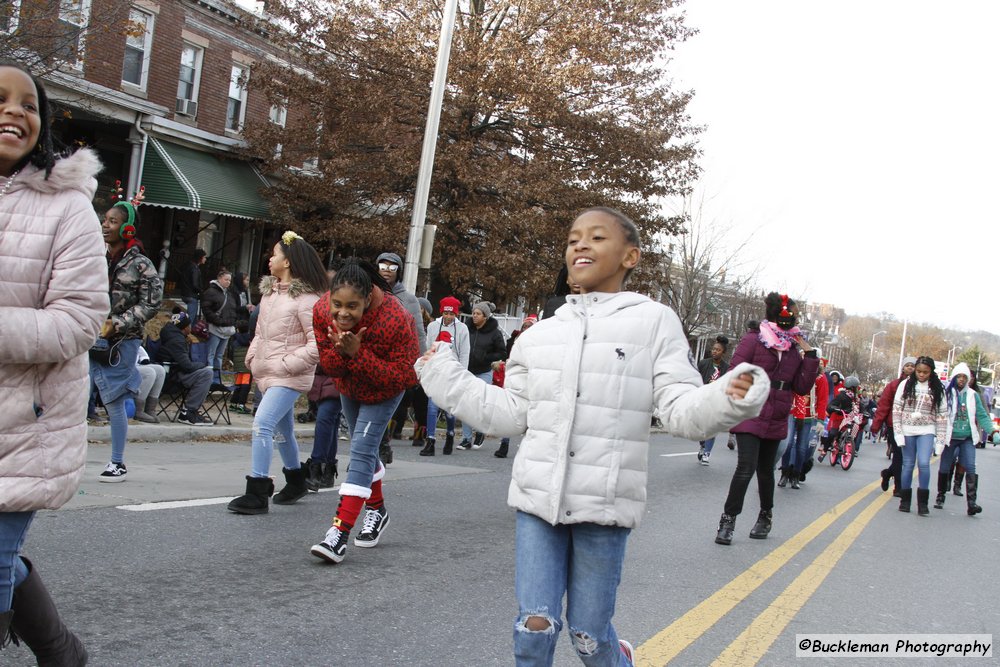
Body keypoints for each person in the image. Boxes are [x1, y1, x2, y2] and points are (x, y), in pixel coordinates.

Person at [417, 207, 767, 667]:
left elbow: (680, 409)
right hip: (537, 501)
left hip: (604, 507)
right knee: (533, 628)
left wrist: (729, 395)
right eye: (572, 239)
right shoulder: (538, 336)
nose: (580, 246)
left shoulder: (654, 322)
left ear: (631, 256)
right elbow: (508, 414)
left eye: (596, 237)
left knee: (588, 633)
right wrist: (442, 374)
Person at [0, 61, 107, 663]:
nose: (17, 110)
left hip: (24, 423)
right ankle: (62, 652)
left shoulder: (68, 210)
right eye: (1, 98)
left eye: (29, 103)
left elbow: (79, 321)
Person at [309, 260, 420, 563]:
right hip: (349, 387)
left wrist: (358, 354)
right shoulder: (321, 311)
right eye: (337, 305)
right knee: (366, 451)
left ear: (368, 300)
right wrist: (341, 354)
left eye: (352, 307)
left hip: (385, 391)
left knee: (360, 449)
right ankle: (377, 509)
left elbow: (406, 377)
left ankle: (338, 535)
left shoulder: (397, 319)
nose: (342, 314)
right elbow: (329, 366)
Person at [227, 231, 327, 514]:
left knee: (262, 425)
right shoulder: (269, 295)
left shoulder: (307, 299)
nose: (270, 259)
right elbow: (259, 332)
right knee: (283, 432)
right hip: (266, 372)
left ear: (289, 262)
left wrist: (286, 365)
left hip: (289, 375)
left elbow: (318, 345)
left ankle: (257, 492)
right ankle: (296, 480)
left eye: (275, 255)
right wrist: (252, 357)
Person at [716, 292, 819, 545]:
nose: (796, 318)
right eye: (793, 313)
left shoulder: (795, 349)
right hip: (752, 410)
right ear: (782, 314)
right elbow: (735, 373)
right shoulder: (754, 340)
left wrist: (811, 357)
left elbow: (802, 387)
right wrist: (733, 408)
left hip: (778, 414)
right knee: (745, 467)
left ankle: (765, 516)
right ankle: (728, 520)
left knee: (765, 470)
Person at [91, 182, 163, 482]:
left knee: (114, 403)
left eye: (113, 221)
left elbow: (152, 303)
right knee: (63, 398)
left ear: (128, 228)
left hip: (120, 345)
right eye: (105, 220)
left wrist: (116, 324)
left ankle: (117, 462)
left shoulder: (142, 264)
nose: (105, 225)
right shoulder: (93, 256)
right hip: (83, 338)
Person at [375, 252, 426, 464]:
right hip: (370, 359)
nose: (387, 270)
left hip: (396, 363)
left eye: (392, 267)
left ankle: (381, 445)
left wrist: (422, 365)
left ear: (399, 271)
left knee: (386, 409)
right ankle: (375, 448)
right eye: (382, 265)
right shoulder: (368, 292)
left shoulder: (409, 299)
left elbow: (419, 333)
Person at [891, 356, 948, 515]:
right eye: (919, 371)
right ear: (915, 370)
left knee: (924, 463)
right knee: (908, 464)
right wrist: (898, 433)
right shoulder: (905, 385)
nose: (922, 375)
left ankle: (923, 502)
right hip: (907, 429)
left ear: (931, 372)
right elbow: (896, 411)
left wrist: (940, 441)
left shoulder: (937, 388)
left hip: (927, 429)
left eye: (925, 372)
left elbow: (942, 415)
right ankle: (905, 500)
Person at [936, 362, 995, 515]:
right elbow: (939, 414)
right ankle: (940, 496)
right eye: (959, 376)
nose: (961, 380)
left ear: (968, 379)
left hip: (967, 437)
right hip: (950, 437)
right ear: (954, 378)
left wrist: (992, 432)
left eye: (964, 377)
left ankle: (971, 503)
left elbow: (982, 415)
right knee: (944, 467)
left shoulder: (973, 395)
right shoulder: (947, 394)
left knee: (970, 466)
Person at [420, 296, 470, 456]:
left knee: (449, 409)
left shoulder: (462, 329)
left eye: (452, 314)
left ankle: (450, 434)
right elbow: (428, 347)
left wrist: (462, 375)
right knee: (432, 407)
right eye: (446, 314)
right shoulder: (434, 326)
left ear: (456, 314)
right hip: (436, 371)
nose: (448, 317)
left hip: (452, 372)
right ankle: (430, 440)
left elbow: (464, 353)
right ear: (442, 312)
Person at [456, 300, 507, 450]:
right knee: (465, 404)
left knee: (479, 403)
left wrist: (486, 356)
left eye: (478, 314)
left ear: (485, 316)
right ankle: (466, 438)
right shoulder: (466, 329)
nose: (474, 316)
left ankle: (480, 432)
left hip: (484, 371)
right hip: (467, 370)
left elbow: (502, 352)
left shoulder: (494, 332)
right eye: (473, 313)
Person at [154, 310, 214, 426]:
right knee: (207, 373)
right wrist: (203, 365)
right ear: (185, 327)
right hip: (172, 376)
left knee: (204, 372)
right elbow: (187, 366)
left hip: (172, 371)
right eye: (189, 325)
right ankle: (188, 412)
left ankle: (190, 410)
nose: (191, 327)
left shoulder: (172, 335)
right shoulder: (177, 340)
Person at [778, 357, 828, 489]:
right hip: (792, 413)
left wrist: (821, 420)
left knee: (801, 448)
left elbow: (822, 400)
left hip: (808, 417)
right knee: (787, 444)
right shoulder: (795, 374)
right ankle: (784, 473)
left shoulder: (820, 378)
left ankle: (796, 475)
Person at [870, 357, 916, 496]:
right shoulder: (894, 385)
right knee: (898, 455)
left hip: (911, 425)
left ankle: (887, 473)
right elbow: (883, 405)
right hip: (893, 424)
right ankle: (898, 486)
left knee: (906, 456)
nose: (910, 368)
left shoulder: (920, 387)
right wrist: (876, 425)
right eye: (907, 365)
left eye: (912, 366)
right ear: (902, 368)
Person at [304, 362, 342, 492]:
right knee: (331, 422)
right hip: (321, 381)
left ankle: (317, 468)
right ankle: (328, 471)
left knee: (325, 418)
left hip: (338, 380)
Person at [201, 269, 239, 388]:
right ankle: (209, 378)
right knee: (211, 354)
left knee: (219, 355)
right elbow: (207, 310)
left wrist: (232, 322)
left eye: (229, 280)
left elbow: (233, 309)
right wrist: (218, 321)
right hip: (215, 327)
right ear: (219, 279)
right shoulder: (211, 292)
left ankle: (217, 379)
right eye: (226, 279)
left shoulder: (228, 293)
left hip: (226, 328)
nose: (228, 282)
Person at [696, 335, 730, 465]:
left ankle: (706, 454)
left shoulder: (727, 368)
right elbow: (696, 378)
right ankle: (703, 444)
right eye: (714, 349)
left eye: (718, 350)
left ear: (723, 352)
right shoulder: (704, 363)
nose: (715, 351)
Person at [134, 345, 166, 423]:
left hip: (135, 365)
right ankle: (137, 410)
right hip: (122, 368)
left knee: (160, 370)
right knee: (149, 372)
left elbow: (142, 353)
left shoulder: (133, 337)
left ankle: (150, 409)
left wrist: (143, 359)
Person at [178, 248, 206, 321]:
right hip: (191, 295)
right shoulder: (194, 269)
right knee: (191, 317)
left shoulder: (187, 265)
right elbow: (195, 284)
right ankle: (187, 328)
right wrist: (201, 291)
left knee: (190, 315)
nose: (205, 259)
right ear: (200, 258)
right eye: (204, 257)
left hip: (184, 293)